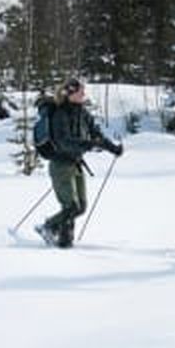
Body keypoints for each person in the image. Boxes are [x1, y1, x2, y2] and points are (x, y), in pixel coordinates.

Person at [35, 79, 124, 249]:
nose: (84, 94)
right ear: (71, 93)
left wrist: (113, 149)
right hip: (60, 165)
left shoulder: (83, 113)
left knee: (81, 207)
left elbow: (96, 135)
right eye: (80, 92)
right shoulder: (60, 114)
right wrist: (88, 144)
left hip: (75, 164)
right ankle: (52, 231)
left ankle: (62, 240)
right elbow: (64, 142)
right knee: (71, 207)